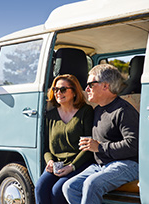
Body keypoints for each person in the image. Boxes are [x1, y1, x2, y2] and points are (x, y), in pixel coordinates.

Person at [62, 64, 139, 204]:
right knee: (69, 187)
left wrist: (100, 147)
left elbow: (133, 145)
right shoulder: (98, 110)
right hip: (100, 165)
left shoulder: (124, 111)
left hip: (127, 164)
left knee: (92, 183)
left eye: (91, 84)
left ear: (105, 86)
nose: (86, 89)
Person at [35, 74, 94, 204]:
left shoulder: (86, 111)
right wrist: (49, 161)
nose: (58, 93)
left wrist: (72, 167)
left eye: (62, 89)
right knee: (40, 188)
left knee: (57, 191)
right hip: (57, 164)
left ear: (74, 92)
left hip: (79, 163)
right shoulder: (50, 116)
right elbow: (46, 147)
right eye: (55, 89)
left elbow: (88, 147)